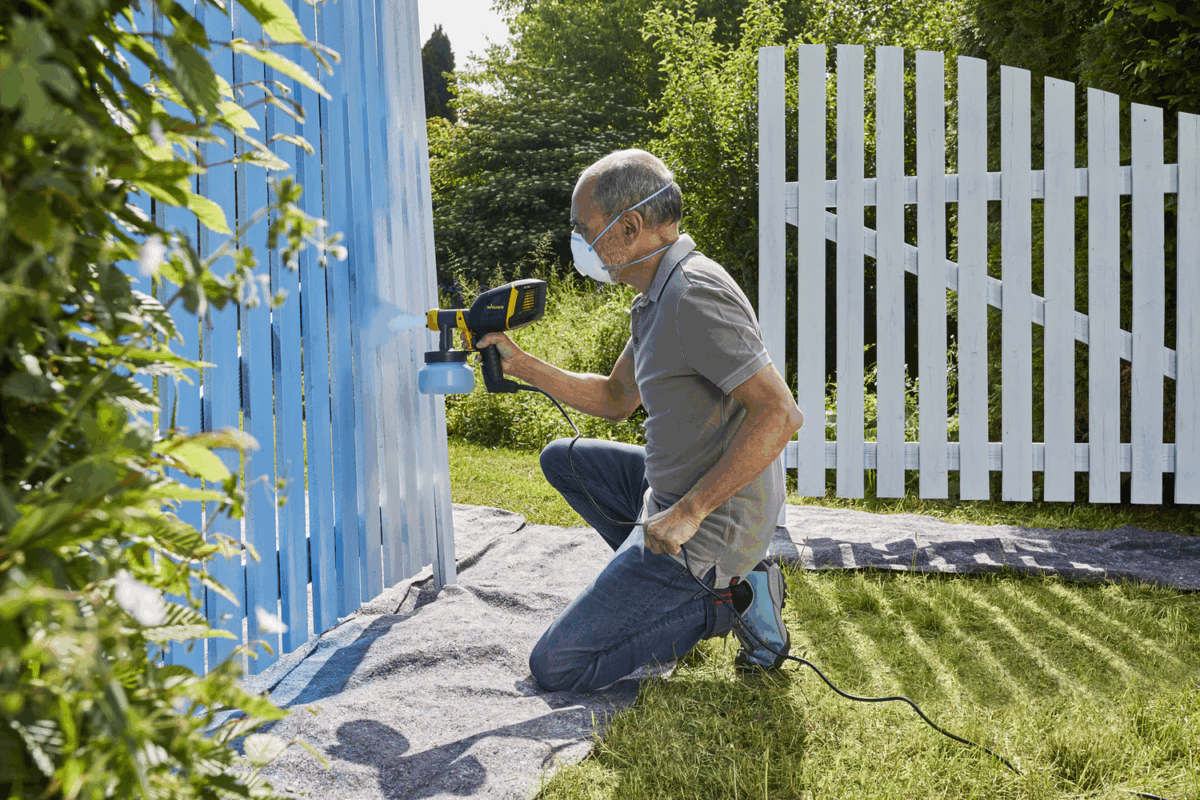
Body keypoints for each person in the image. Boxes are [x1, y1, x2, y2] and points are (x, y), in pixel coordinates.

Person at [473, 149, 804, 693]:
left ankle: (732, 596)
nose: (578, 240)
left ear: (630, 226)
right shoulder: (657, 293)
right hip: (666, 495)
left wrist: (690, 512)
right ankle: (654, 582)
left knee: (557, 666)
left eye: (584, 228)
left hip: (710, 526)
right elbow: (616, 396)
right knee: (565, 460)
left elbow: (779, 415)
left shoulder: (694, 295)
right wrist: (522, 364)